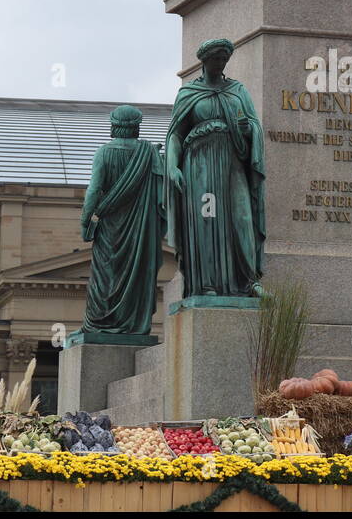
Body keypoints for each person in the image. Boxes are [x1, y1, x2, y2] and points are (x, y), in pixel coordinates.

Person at [165, 38, 266, 297]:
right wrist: (172, 166)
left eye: (224, 60)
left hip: (232, 161)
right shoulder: (189, 93)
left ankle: (248, 280)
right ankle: (207, 284)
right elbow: (176, 134)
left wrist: (247, 131)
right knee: (206, 219)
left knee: (241, 216)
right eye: (215, 60)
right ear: (204, 61)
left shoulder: (238, 90)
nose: (220, 64)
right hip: (200, 164)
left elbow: (254, 124)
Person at [79, 104, 167, 336]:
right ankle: (132, 325)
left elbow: (94, 190)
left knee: (106, 275)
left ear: (113, 126)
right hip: (141, 229)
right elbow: (162, 194)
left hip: (109, 229)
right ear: (137, 127)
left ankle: (100, 324)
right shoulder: (148, 154)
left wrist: (86, 219)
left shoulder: (105, 153)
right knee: (135, 274)